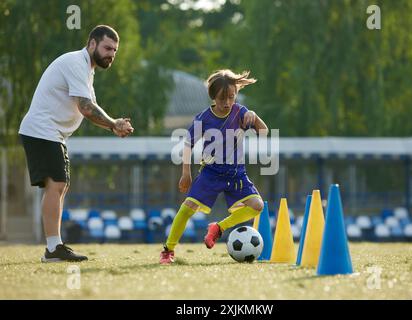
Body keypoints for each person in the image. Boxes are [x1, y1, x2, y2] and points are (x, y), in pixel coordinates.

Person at [18, 25, 134, 263]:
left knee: (61, 186)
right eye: (107, 47)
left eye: (114, 50)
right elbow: (86, 107)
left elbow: (90, 110)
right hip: (42, 130)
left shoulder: (86, 70)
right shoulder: (75, 63)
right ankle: (53, 248)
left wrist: (113, 125)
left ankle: (54, 246)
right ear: (92, 43)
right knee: (57, 184)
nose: (111, 53)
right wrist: (113, 124)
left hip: (52, 134)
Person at [160, 69, 268, 264]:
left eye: (231, 97)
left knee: (257, 206)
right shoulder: (203, 118)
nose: (227, 103)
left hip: (237, 174)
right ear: (212, 96)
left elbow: (264, 132)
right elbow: (187, 144)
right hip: (211, 172)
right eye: (221, 98)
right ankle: (168, 250)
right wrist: (186, 173)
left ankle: (218, 228)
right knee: (187, 208)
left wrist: (254, 116)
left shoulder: (241, 112)